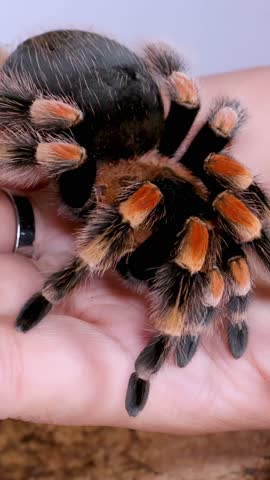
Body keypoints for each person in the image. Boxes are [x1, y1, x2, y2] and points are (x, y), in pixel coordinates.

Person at [0, 67, 270, 433]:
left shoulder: (208, 212)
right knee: (69, 149)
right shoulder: (105, 176)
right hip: (77, 102)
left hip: (133, 121)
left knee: (197, 133)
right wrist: (61, 284)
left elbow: (224, 119)